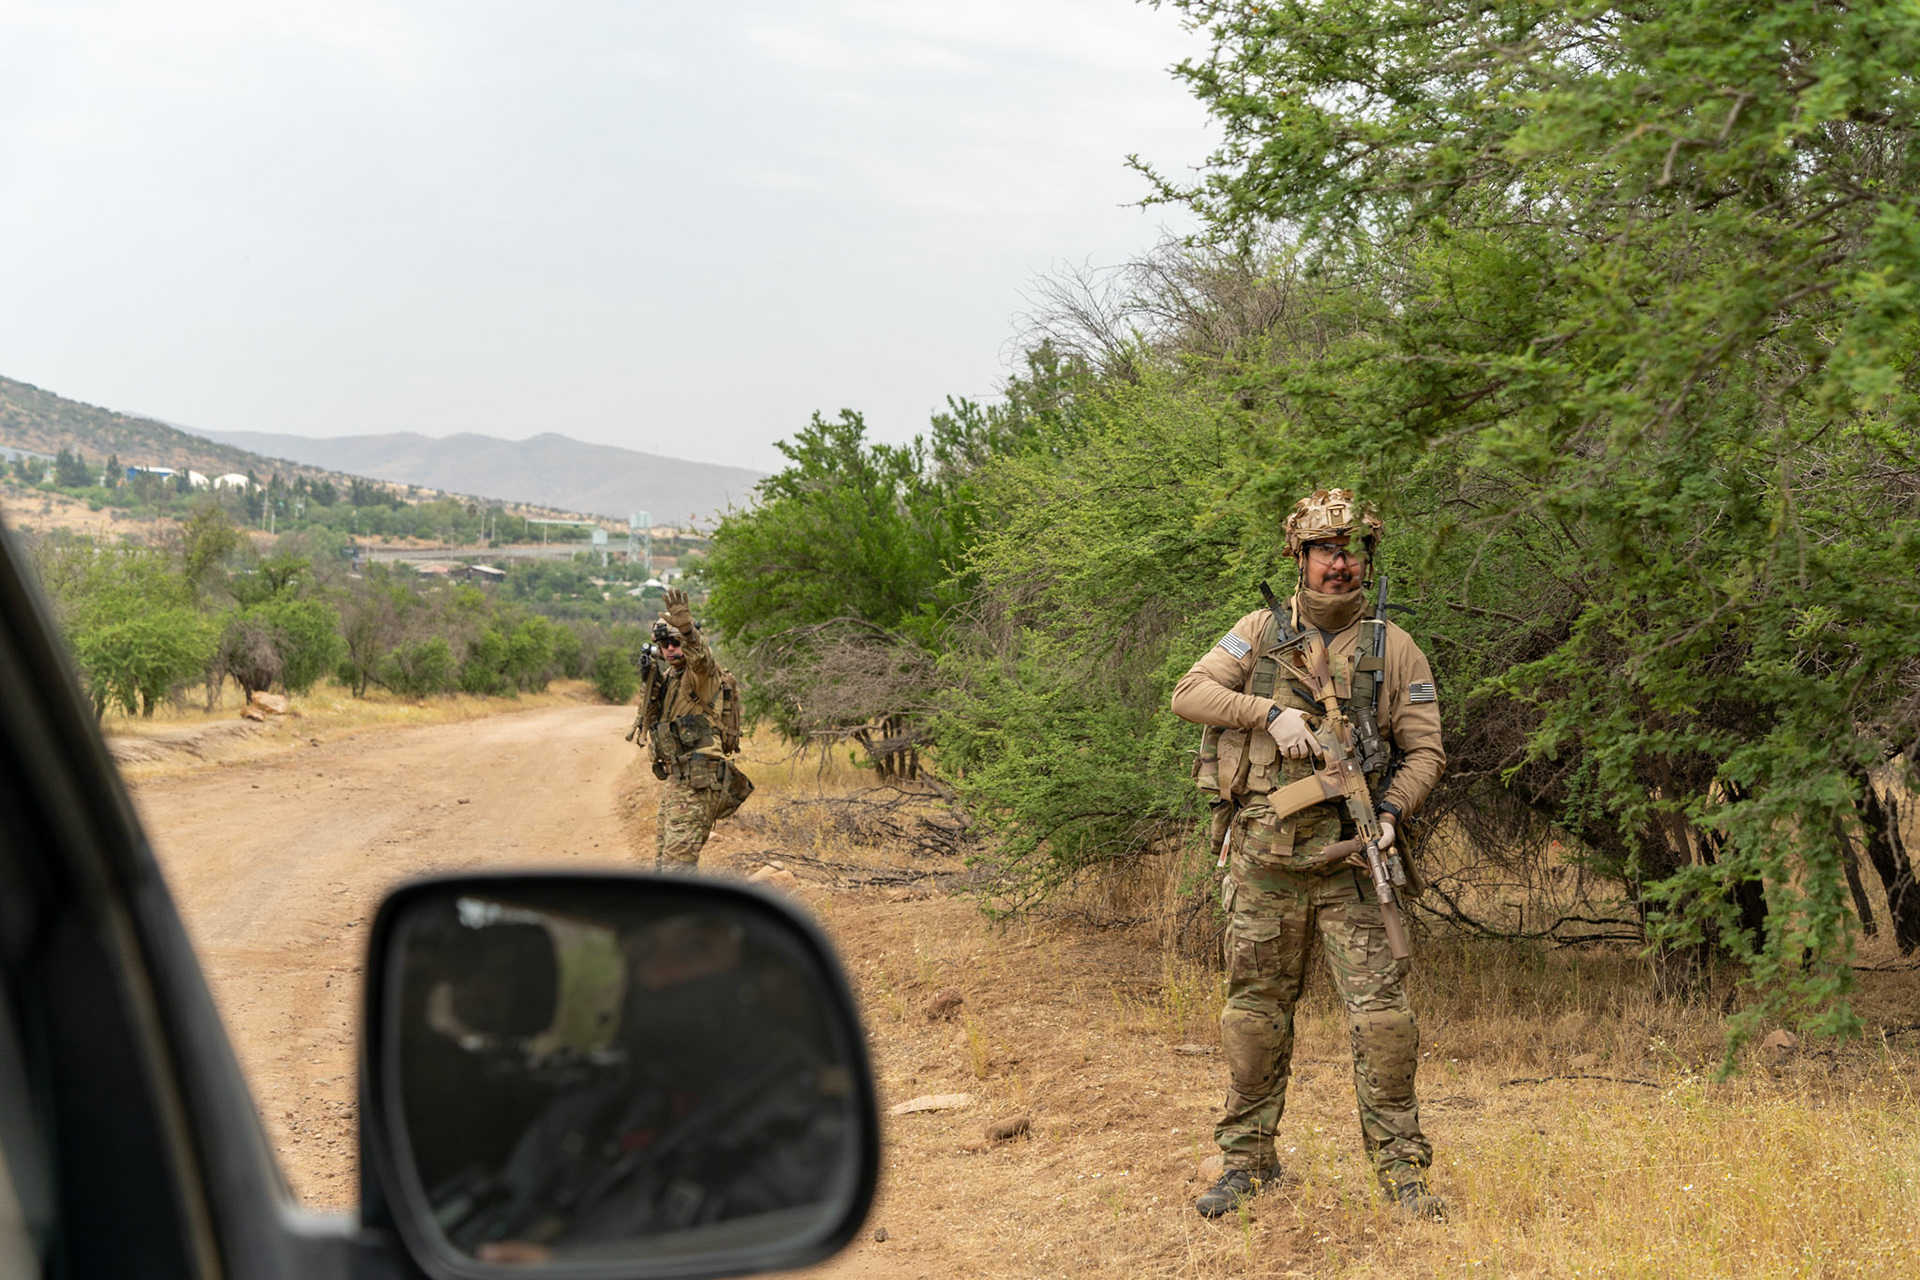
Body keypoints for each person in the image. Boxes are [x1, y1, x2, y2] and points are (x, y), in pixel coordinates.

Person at [1171, 488, 1446, 1220]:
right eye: (1325, 550)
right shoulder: (1259, 632)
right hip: (1264, 864)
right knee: (1254, 1015)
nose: (1339, 564)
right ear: (1299, 556)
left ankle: (1401, 1172)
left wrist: (1390, 812)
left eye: (1351, 550)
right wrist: (1268, 713)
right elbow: (1189, 693)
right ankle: (1247, 1163)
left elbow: (1425, 751)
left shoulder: (1394, 647)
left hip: (1353, 864)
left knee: (1383, 1021)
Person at [631, 587, 752, 870]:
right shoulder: (669, 679)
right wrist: (649, 682)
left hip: (698, 779)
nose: (670, 649)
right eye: (664, 645)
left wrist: (688, 631)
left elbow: (702, 659)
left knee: (678, 865)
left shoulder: (702, 676)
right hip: (678, 779)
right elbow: (649, 720)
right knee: (664, 862)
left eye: (675, 642)